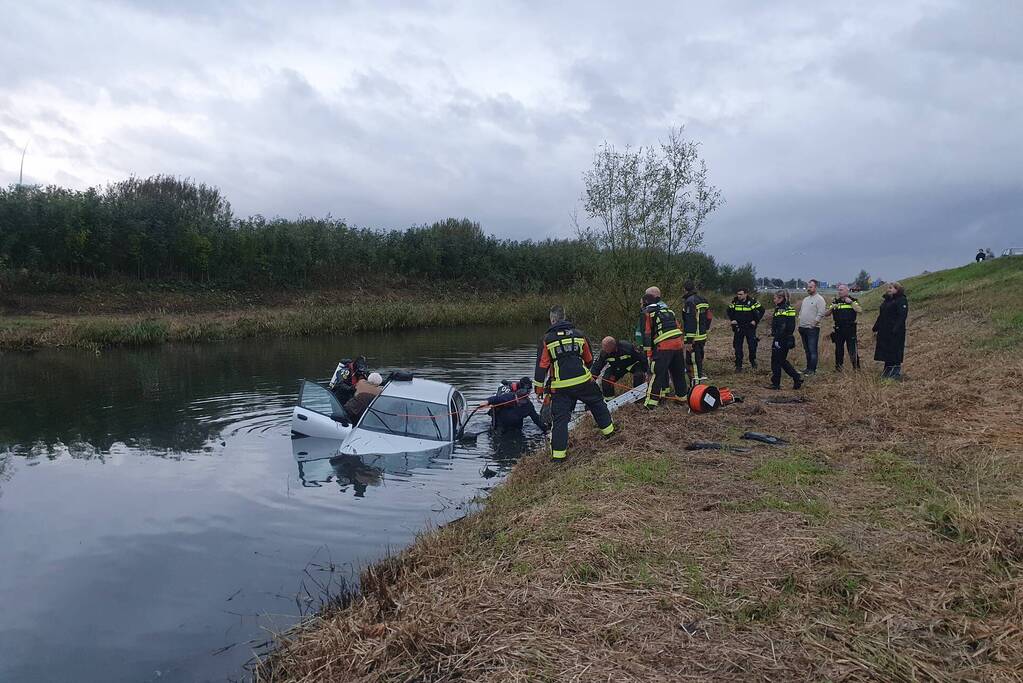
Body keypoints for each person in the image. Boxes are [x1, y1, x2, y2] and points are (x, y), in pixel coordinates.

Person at [534, 305, 614, 460]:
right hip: (583, 382)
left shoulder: (546, 339)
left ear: (552, 319)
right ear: (564, 317)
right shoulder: (579, 335)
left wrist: (538, 390)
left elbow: (541, 367)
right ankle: (610, 433)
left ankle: (558, 456)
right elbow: (589, 359)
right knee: (598, 405)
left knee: (560, 420)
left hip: (561, 387)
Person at [638, 289, 687, 408]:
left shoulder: (646, 313)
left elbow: (647, 335)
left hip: (664, 347)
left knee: (656, 373)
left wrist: (648, 355)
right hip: (678, 345)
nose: (640, 305)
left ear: (645, 302)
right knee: (678, 373)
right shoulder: (668, 310)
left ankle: (650, 404)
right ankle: (681, 398)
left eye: (641, 303)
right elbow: (679, 327)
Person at [478, 377, 545, 433]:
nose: (525, 393)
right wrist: (486, 401)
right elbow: (496, 399)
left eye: (528, 391)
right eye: (524, 391)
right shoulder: (509, 397)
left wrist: (546, 430)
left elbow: (537, 420)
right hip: (500, 426)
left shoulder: (528, 406)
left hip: (516, 429)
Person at [872, 282, 908, 379]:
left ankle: (894, 374)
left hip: (895, 332)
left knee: (895, 352)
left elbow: (902, 316)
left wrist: (895, 329)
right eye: (888, 288)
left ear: (897, 289)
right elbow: (882, 315)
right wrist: (876, 326)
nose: (888, 289)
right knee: (886, 352)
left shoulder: (901, 300)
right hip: (884, 331)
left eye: (891, 288)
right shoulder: (887, 301)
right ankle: (886, 372)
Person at [768, 290, 803, 390]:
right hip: (787, 337)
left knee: (776, 361)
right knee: (781, 360)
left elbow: (782, 325)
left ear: (781, 298)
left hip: (781, 338)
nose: (774, 300)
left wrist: (777, 338)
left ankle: (777, 383)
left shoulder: (781, 309)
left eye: (775, 298)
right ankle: (796, 378)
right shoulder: (788, 308)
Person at [726, 287, 764, 371]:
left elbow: (762, 310)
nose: (738, 296)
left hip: (750, 327)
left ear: (746, 294)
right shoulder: (735, 301)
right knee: (737, 346)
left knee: (752, 345)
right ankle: (738, 365)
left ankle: (752, 360)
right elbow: (728, 311)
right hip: (738, 327)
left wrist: (756, 321)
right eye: (738, 294)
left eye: (741, 294)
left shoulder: (753, 302)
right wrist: (732, 320)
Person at [826, 283, 862, 370]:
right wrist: (831, 308)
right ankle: (838, 367)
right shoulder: (835, 302)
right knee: (838, 349)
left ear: (847, 290)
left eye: (841, 290)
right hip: (839, 328)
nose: (839, 292)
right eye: (839, 290)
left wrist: (851, 303)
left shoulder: (854, 300)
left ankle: (856, 368)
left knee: (852, 349)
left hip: (850, 328)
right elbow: (826, 314)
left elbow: (860, 310)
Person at [682, 281, 712, 382]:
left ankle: (696, 387)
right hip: (702, 336)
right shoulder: (703, 300)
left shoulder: (690, 302)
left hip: (694, 337)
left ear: (685, 289)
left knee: (693, 362)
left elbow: (690, 321)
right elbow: (709, 316)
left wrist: (689, 341)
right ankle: (696, 384)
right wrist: (705, 328)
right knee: (698, 361)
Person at [797, 279, 827, 376]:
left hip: (812, 329)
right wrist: (799, 321)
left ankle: (812, 370)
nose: (808, 288)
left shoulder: (820, 299)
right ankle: (808, 368)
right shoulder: (806, 299)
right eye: (808, 287)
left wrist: (814, 323)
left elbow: (821, 313)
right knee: (807, 350)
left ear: (815, 287)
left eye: (811, 287)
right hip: (803, 328)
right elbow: (801, 312)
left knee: (812, 349)